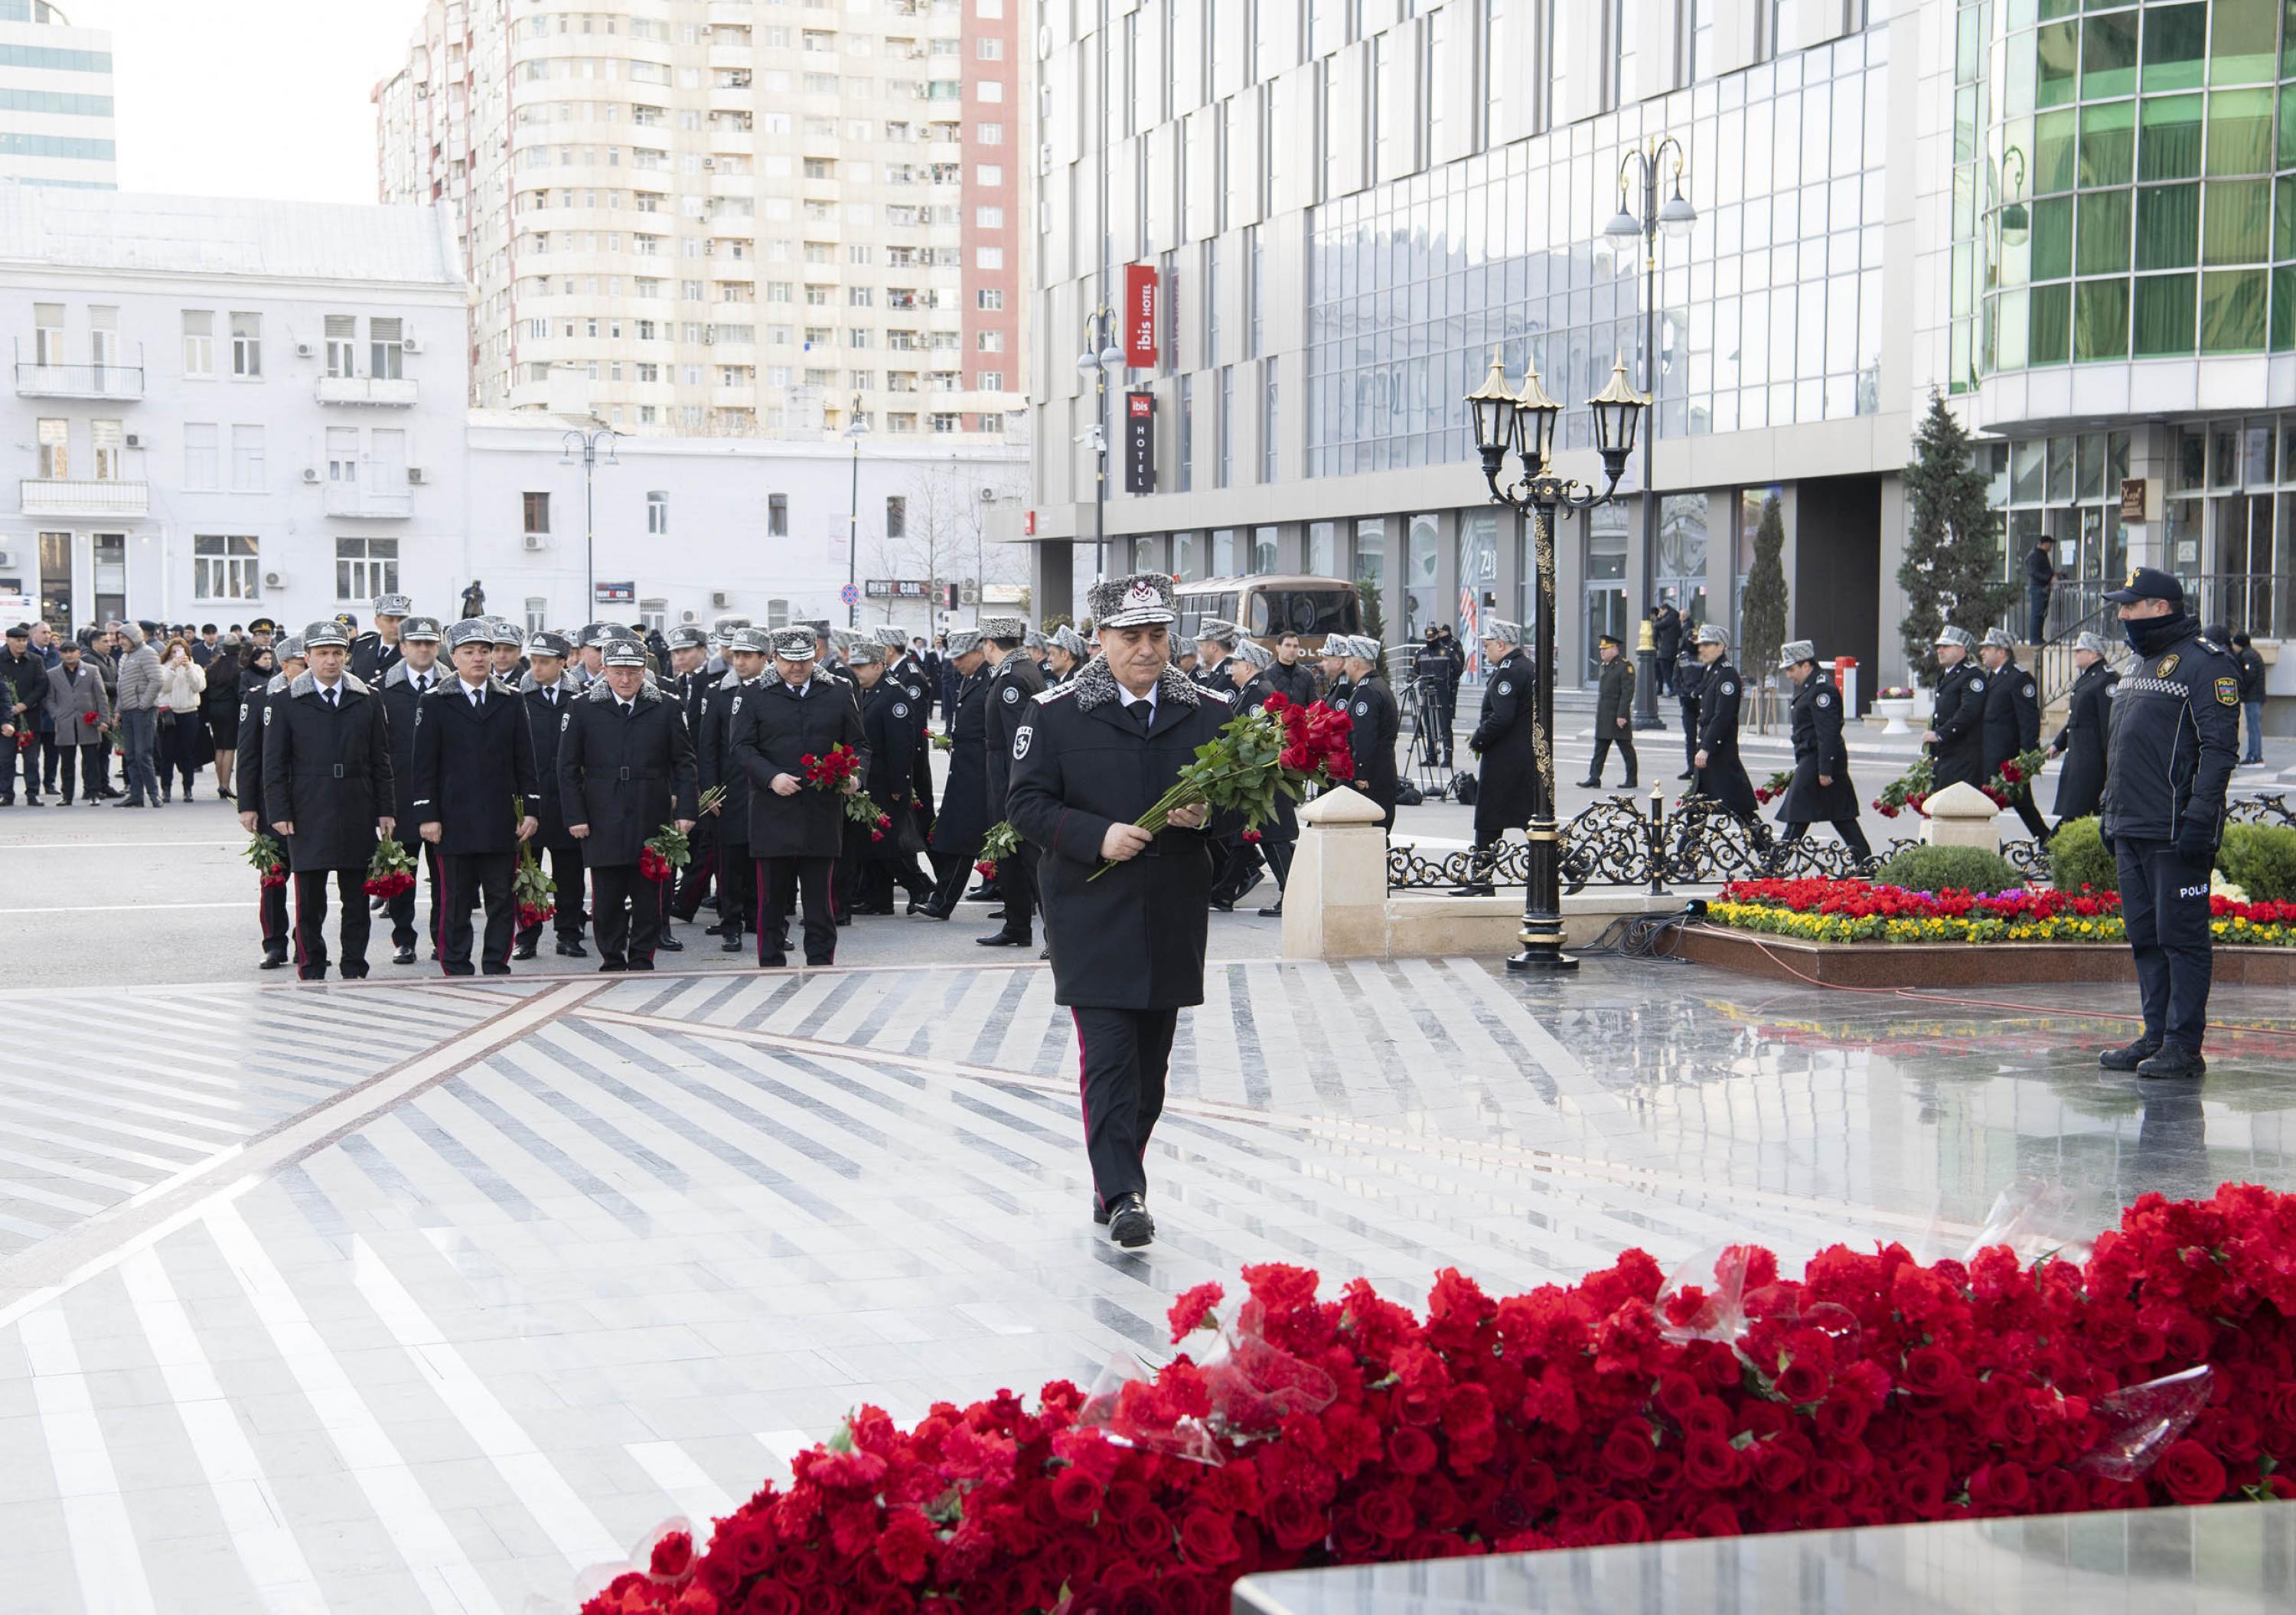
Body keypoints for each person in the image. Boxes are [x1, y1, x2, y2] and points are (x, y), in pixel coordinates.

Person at [1006, 573, 1230, 1249]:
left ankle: (1114, 1181)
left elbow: (1253, 808)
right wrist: (1095, 835)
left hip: (1170, 913)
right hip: (1091, 911)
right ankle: (1126, 1193)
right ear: (1101, 639)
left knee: (1151, 1067)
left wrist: (1206, 816)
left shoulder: (1212, 713)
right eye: (1131, 637)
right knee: (1108, 1057)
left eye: (1158, 635)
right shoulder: (1055, 713)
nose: (1147, 649)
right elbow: (1025, 806)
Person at [2095, 567, 2240, 1082]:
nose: (2121, 614)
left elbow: (2220, 750)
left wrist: (2202, 817)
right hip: (2131, 822)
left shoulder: (2206, 666)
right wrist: (2109, 809)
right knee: (2145, 938)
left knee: (2181, 940)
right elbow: (2125, 746)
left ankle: (2184, 1045)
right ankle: (2156, 1035)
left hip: (2175, 829)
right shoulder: (2138, 662)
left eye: (2129, 606)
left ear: (2160, 608)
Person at [263, 620, 394, 980]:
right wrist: (279, 811)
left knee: (356, 896)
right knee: (310, 899)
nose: (331, 661)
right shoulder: (287, 700)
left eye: (337, 653)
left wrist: (385, 809)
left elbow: (380, 758)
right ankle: (312, 963)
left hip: (356, 803)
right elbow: (274, 763)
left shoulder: (367, 698)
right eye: (322, 654)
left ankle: (354, 963)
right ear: (307, 658)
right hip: (308, 806)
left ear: (346, 657)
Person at [558, 637, 697, 971]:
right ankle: (611, 955)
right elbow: (566, 768)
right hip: (602, 808)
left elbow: (684, 763)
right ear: (603, 670)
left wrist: (688, 812)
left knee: (649, 890)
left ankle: (642, 954)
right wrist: (575, 815)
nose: (625, 680)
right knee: (607, 892)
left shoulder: (665, 705)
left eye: (633, 672)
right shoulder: (583, 706)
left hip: (651, 806)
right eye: (618, 672)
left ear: (644, 671)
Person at [411, 619, 540, 977]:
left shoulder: (511, 700)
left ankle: (496, 961)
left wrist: (531, 809)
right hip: (453, 818)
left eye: (485, 651)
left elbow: (525, 760)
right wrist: (427, 814)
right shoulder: (435, 701)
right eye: (469, 652)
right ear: (453, 657)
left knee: (501, 897)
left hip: (499, 817)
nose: (479, 658)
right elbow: (423, 765)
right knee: (455, 899)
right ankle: (455, 962)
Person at [730, 627, 866, 967]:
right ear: (774, 658)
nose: (796, 668)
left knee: (820, 894)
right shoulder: (754, 694)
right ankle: (771, 957)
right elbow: (741, 747)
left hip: (821, 809)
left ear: (816, 655)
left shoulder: (837, 692)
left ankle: (821, 959)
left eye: (804, 660)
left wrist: (855, 776)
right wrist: (770, 777)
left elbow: (860, 745)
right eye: (789, 661)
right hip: (772, 808)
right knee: (772, 895)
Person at [514, 631, 590, 960]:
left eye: (545, 662)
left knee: (570, 873)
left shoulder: (580, 699)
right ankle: (527, 936)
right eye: (533, 661)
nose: (537, 668)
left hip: (567, 799)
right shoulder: (518, 697)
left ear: (563, 662)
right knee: (527, 871)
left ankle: (569, 933)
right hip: (529, 798)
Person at [697, 626, 771, 952]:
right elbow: (707, 747)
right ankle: (731, 923)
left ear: (764, 658)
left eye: (747, 656)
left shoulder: (775, 692)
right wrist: (709, 791)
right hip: (729, 791)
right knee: (730, 862)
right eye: (736, 655)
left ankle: (763, 920)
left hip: (768, 789)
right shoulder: (718, 693)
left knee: (767, 860)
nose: (739, 661)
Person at [379, 617, 448, 964]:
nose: (423, 650)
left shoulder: (454, 685)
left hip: (444, 798)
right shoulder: (382, 689)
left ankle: (442, 938)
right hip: (400, 796)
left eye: (429, 644)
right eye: (416, 644)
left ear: (438, 647)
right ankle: (403, 939)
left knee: (445, 877)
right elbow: (376, 750)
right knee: (402, 875)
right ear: (403, 647)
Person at [977, 615, 1048, 948]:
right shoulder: (1023, 670)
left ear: (990, 644)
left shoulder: (1011, 680)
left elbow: (1018, 741)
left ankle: (1054, 934)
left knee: (1031, 859)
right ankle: (1017, 925)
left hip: (1010, 778)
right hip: (1004, 775)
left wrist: (1014, 790)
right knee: (1010, 857)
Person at [1773, 640, 1871, 865]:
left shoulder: (1821, 691)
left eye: (1791, 669)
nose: (1789, 675)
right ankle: (1866, 860)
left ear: (1806, 666)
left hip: (1819, 759)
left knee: (1798, 811)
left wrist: (1825, 768)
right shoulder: (1811, 687)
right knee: (1840, 815)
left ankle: (1776, 863)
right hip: (1815, 759)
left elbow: (1828, 733)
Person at [1453, 619, 1532, 897]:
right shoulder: (1526, 667)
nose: (1484, 651)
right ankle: (1573, 867)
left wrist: (1479, 738)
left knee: (1490, 817)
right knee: (1530, 819)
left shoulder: (1509, 673)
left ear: (1502, 645)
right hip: (1523, 757)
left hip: (1504, 758)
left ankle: (1481, 878)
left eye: (1487, 646)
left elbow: (1502, 717)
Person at [922, 629, 992, 918]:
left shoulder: (990, 680)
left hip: (980, 775)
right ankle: (942, 902)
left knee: (968, 842)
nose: (955, 663)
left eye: (961, 657)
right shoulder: (970, 678)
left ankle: (1021, 912)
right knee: (960, 840)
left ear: (979, 652)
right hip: (965, 772)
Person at [235, 638, 292, 967]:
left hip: (310, 801)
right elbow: (249, 755)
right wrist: (247, 805)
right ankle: (274, 943)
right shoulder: (259, 699)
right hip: (269, 800)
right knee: (273, 876)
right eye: (300, 661)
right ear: (285, 666)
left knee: (310, 881)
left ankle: (307, 940)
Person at [1977, 626, 2049, 841]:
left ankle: (2048, 845)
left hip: (2007, 760)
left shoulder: (2018, 678)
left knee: (2018, 805)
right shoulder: (1991, 678)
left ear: (2002, 652)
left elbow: (2028, 722)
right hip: (1989, 756)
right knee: (2002, 806)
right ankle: (2046, 844)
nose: (1982, 653)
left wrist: (2025, 759)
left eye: (1987, 648)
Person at [1690, 624, 1762, 825]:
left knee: (1740, 809)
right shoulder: (1711, 672)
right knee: (1697, 806)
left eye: (1706, 645)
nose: (1701, 649)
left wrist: (1706, 748)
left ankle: (1767, 850)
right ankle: (1686, 853)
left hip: (1719, 753)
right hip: (1711, 752)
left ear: (1720, 646)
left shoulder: (1727, 675)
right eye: (1700, 645)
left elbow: (1723, 716)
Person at [2049, 630, 2118, 827]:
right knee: (2075, 810)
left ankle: (2048, 850)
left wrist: (2110, 762)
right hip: (2079, 754)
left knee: (2076, 810)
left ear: (2094, 654)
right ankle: (2049, 849)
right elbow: (2076, 718)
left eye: (2080, 650)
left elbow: (2108, 724)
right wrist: (2058, 744)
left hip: (2092, 757)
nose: (2075, 653)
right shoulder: (2088, 677)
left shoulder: (2107, 680)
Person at [1337, 636, 1401, 830]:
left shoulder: (1367, 692)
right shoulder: (1379, 686)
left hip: (1371, 776)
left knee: (1368, 833)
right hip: (1382, 770)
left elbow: (1364, 736)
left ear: (1356, 663)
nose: (1345, 665)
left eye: (1347, 660)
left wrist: (1360, 772)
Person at [43, 638, 109, 807]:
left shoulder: (91, 670)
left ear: (79, 653)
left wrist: (103, 719)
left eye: (72, 651)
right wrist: (56, 714)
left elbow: (101, 696)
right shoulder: (53, 673)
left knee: (91, 761)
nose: (69, 655)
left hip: (89, 721)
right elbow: (49, 699)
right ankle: (67, 795)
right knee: (66, 763)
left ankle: (93, 793)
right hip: (65, 722)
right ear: (60, 654)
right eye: (65, 652)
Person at [1922, 625, 1989, 790]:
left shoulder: (1972, 676)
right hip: (1946, 754)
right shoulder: (1946, 675)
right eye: (1939, 647)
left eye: (1946, 646)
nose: (1940, 650)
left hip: (1963, 756)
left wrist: (1940, 734)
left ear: (1961, 650)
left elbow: (1969, 712)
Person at [110, 623, 162, 809]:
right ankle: (136, 795)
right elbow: (120, 686)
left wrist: (143, 705)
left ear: (134, 638)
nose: (121, 642)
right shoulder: (125, 657)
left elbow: (156, 680)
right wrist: (118, 710)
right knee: (130, 755)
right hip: (128, 711)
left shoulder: (147, 653)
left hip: (143, 712)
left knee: (143, 754)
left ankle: (154, 794)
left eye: (124, 638)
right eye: (119, 638)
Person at [1579, 633, 1639, 789]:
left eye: (1605, 649)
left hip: (1618, 715)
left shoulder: (1625, 666)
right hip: (1605, 715)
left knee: (1626, 748)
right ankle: (1594, 777)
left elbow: (1627, 693)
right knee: (1600, 748)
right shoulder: (1605, 666)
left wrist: (1622, 715)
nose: (1601, 652)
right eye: (1601, 649)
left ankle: (1631, 779)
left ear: (1614, 649)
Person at [155, 636, 208, 804]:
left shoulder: (195, 667)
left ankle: (188, 788)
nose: (177, 654)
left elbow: (199, 687)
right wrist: (172, 668)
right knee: (167, 753)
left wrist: (188, 668)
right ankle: (166, 788)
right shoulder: (163, 667)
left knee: (187, 753)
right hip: (168, 713)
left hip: (189, 712)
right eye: (174, 651)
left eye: (180, 651)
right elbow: (163, 687)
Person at [1, 622, 49, 805]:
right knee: (5, 758)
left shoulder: (35, 660)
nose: (22, 644)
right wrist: (9, 708)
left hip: (30, 714)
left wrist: (25, 704)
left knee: (32, 758)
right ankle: (6, 793)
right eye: (18, 641)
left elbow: (42, 685)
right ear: (8, 640)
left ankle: (32, 792)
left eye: (24, 640)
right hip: (5, 717)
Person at [201, 633, 242, 799]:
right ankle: (226, 785)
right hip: (230, 709)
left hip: (213, 709)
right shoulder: (237, 669)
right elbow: (238, 693)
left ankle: (220, 784)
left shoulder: (213, 666)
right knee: (230, 748)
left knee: (219, 747)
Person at [1411, 629, 1454, 768]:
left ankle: (1448, 758)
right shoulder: (1420, 653)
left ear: (1437, 637)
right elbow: (1415, 670)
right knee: (1429, 725)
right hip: (1426, 691)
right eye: (1428, 638)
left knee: (1445, 725)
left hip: (1442, 691)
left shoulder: (1447, 651)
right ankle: (1431, 757)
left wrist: (1447, 682)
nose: (1430, 640)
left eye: (1433, 638)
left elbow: (1457, 669)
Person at [350, 593, 411, 684]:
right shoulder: (362, 646)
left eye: (402, 620)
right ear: (377, 622)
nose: (396, 625)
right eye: (389, 620)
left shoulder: (415, 651)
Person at [2229, 629, 2267, 767]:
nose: (2233, 647)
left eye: (2235, 644)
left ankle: (2255, 757)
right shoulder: (2252, 654)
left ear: (2240, 644)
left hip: (2253, 698)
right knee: (2253, 728)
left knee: (2253, 728)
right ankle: (2253, 756)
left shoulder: (2248, 656)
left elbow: (2249, 677)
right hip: (2255, 697)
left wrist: (2241, 690)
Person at [1672, 640, 1706, 780]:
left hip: (1701, 700)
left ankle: (1703, 769)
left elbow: (1706, 679)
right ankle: (1691, 768)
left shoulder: (1703, 657)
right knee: (1690, 737)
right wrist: (1681, 694)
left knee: (1704, 735)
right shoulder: (1682, 658)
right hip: (1686, 701)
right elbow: (1676, 678)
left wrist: (1696, 693)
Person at [1267, 631, 1319, 706]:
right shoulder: (1267, 675)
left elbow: (1313, 704)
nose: (1292, 650)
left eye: (1295, 646)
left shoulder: (1307, 675)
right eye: (1288, 645)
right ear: (1278, 648)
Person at [2026, 534, 2060, 644]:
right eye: (2050, 544)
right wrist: (2048, 578)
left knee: (2041, 614)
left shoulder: (2042, 555)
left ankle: (2039, 638)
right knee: (2037, 614)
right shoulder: (2035, 555)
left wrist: (2054, 574)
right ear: (2044, 544)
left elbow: (2045, 569)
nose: (2051, 547)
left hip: (2043, 588)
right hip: (2038, 588)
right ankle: (2035, 639)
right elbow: (2034, 572)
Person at [1192, 620, 1240, 691]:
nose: (1199, 650)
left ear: (1214, 647)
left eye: (1202, 645)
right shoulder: (1219, 672)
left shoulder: (1228, 678)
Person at [1653, 602, 1683, 696]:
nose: (1660, 613)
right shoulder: (1675, 618)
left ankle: (1672, 688)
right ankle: (1672, 688)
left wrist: (1658, 618)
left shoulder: (1670, 618)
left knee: (1666, 669)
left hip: (1666, 649)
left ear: (1665, 610)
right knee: (1670, 669)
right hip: (1671, 647)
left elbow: (1656, 625)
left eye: (1661, 611)